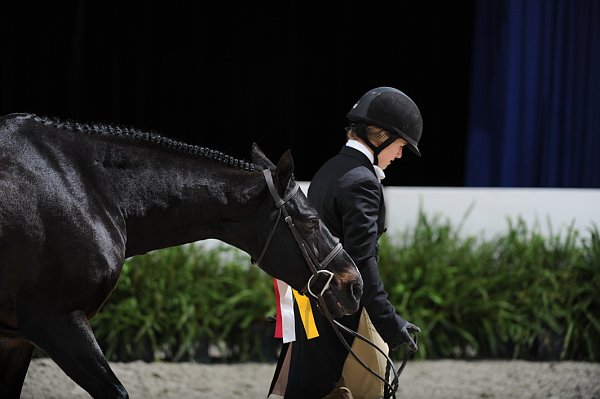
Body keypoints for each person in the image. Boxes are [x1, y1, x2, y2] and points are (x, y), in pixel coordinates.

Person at [268, 87, 423, 399]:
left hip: (312, 307)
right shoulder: (362, 181)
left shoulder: (331, 169)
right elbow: (362, 261)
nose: (399, 155)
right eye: (401, 146)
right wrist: (389, 321)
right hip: (342, 313)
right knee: (369, 390)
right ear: (381, 135)